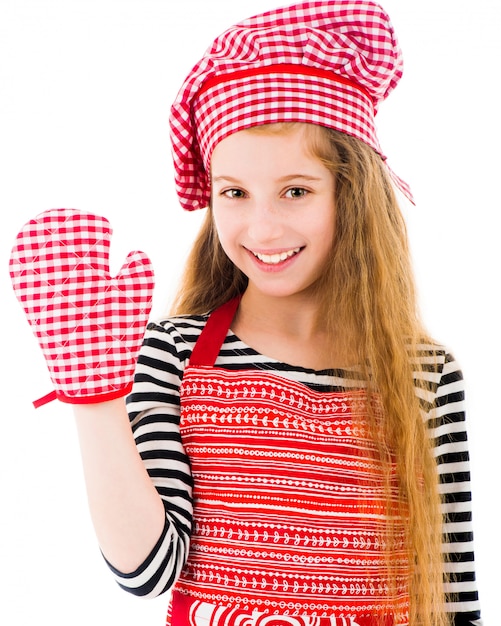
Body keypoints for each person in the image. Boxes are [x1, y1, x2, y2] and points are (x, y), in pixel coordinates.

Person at [9, 2, 482, 625]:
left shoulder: (427, 373)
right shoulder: (173, 352)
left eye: (295, 190)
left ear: (356, 194)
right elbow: (147, 570)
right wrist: (95, 397)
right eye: (234, 192)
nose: (261, 226)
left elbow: (452, 599)